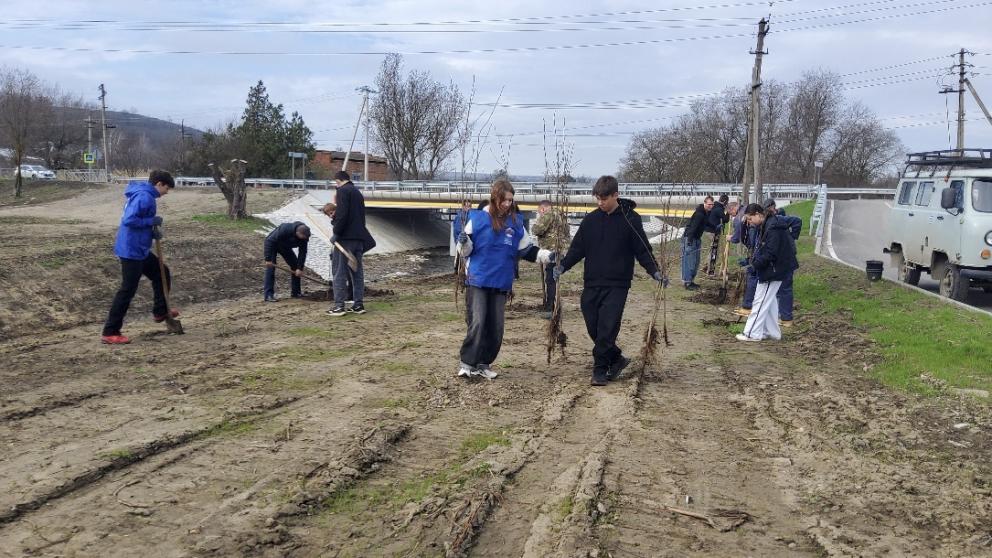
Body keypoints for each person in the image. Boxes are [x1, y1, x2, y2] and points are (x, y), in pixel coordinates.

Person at [555, 176, 665, 386]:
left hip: (617, 284)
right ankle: (617, 358)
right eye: (597, 199)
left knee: (607, 327)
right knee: (593, 327)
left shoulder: (631, 220)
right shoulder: (591, 220)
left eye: (604, 199)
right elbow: (578, 248)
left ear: (616, 195)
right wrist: (563, 266)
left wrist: (655, 271)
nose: (600, 203)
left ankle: (600, 369)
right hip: (592, 282)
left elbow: (642, 249)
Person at [455, 179, 550, 379]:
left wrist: (546, 256)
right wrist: (463, 243)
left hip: (501, 281)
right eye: (504, 200)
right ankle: (467, 363)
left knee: (496, 327)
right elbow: (465, 251)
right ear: (495, 198)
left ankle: (484, 363)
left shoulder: (515, 223)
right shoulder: (478, 219)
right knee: (478, 321)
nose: (508, 204)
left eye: (510, 200)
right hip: (478, 279)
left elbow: (526, 250)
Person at [101, 170, 177, 344]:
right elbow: (129, 220)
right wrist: (150, 222)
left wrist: (151, 232)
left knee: (161, 272)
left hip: (139, 248)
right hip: (131, 250)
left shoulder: (144, 194)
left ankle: (160, 311)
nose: (166, 192)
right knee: (127, 290)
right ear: (159, 184)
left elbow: (137, 220)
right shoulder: (145, 196)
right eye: (166, 188)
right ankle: (110, 331)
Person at [736, 202, 799, 342]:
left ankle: (752, 333)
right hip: (775, 267)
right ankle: (772, 332)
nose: (749, 222)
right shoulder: (767, 225)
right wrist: (750, 260)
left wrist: (755, 265)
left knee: (760, 301)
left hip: (774, 270)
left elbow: (770, 253)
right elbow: (761, 249)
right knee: (769, 303)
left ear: (758, 215)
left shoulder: (773, 228)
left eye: (750, 218)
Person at [328, 170, 375, 316]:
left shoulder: (342, 191)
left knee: (339, 272)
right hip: (359, 239)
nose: (336, 186)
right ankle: (358, 305)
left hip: (345, 240)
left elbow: (343, 214)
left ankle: (339, 306)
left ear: (339, 181)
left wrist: (336, 232)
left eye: (336, 183)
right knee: (357, 273)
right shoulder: (357, 193)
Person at [761, 199, 802, 327]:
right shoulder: (770, 222)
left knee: (785, 287)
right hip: (782, 255)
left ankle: (786, 317)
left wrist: (792, 236)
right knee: (782, 288)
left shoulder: (779, 219)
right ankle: (782, 315)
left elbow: (797, 221)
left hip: (786, 257)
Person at [531, 199, 571, 319]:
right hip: (561, 250)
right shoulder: (561, 215)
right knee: (554, 277)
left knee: (550, 279)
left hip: (552, 250)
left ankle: (551, 308)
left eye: (539, 212)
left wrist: (538, 221)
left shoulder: (549, 214)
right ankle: (554, 305)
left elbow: (537, 230)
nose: (540, 214)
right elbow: (567, 232)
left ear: (543, 208)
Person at [263, 222, 311, 302]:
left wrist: (300, 268)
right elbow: (269, 241)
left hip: (285, 247)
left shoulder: (304, 237)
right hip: (273, 244)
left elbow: (303, 252)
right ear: (297, 233)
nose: (304, 239)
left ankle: (296, 292)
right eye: (302, 237)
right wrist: (268, 259)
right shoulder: (285, 229)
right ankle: (268, 295)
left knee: (295, 266)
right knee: (270, 269)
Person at [681, 196, 714, 290]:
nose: (710, 206)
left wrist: (715, 227)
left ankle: (691, 281)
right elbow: (693, 227)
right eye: (709, 204)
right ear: (704, 203)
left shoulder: (705, 213)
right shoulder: (699, 214)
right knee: (689, 261)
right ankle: (687, 283)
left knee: (696, 262)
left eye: (712, 204)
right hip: (690, 239)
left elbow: (706, 223)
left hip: (697, 239)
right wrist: (689, 241)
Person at [322, 202, 353, 302]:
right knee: (345, 272)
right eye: (329, 215)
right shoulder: (336, 221)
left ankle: (350, 295)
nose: (331, 216)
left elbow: (342, 232)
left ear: (336, 210)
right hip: (342, 248)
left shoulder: (341, 219)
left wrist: (335, 237)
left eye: (331, 213)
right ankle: (348, 294)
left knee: (349, 272)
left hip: (348, 247)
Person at [704, 194, 730, 276]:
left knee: (711, 250)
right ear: (725, 201)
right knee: (714, 251)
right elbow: (725, 219)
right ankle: (710, 271)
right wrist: (728, 212)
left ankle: (706, 266)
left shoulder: (714, 206)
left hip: (708, 231)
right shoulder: (719, 209)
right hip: (714, 232)